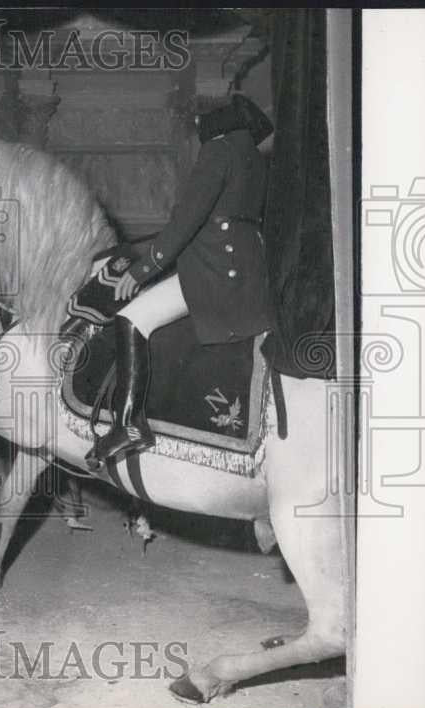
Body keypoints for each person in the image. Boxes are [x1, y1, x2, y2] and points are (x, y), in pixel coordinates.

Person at [88, 94, 275, 467]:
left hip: (216, 277)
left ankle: (129, 425)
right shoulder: (253, 158)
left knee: (131, 318)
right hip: (249, 278)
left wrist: (142, 270)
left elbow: (187, 221)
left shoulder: (218, 152)